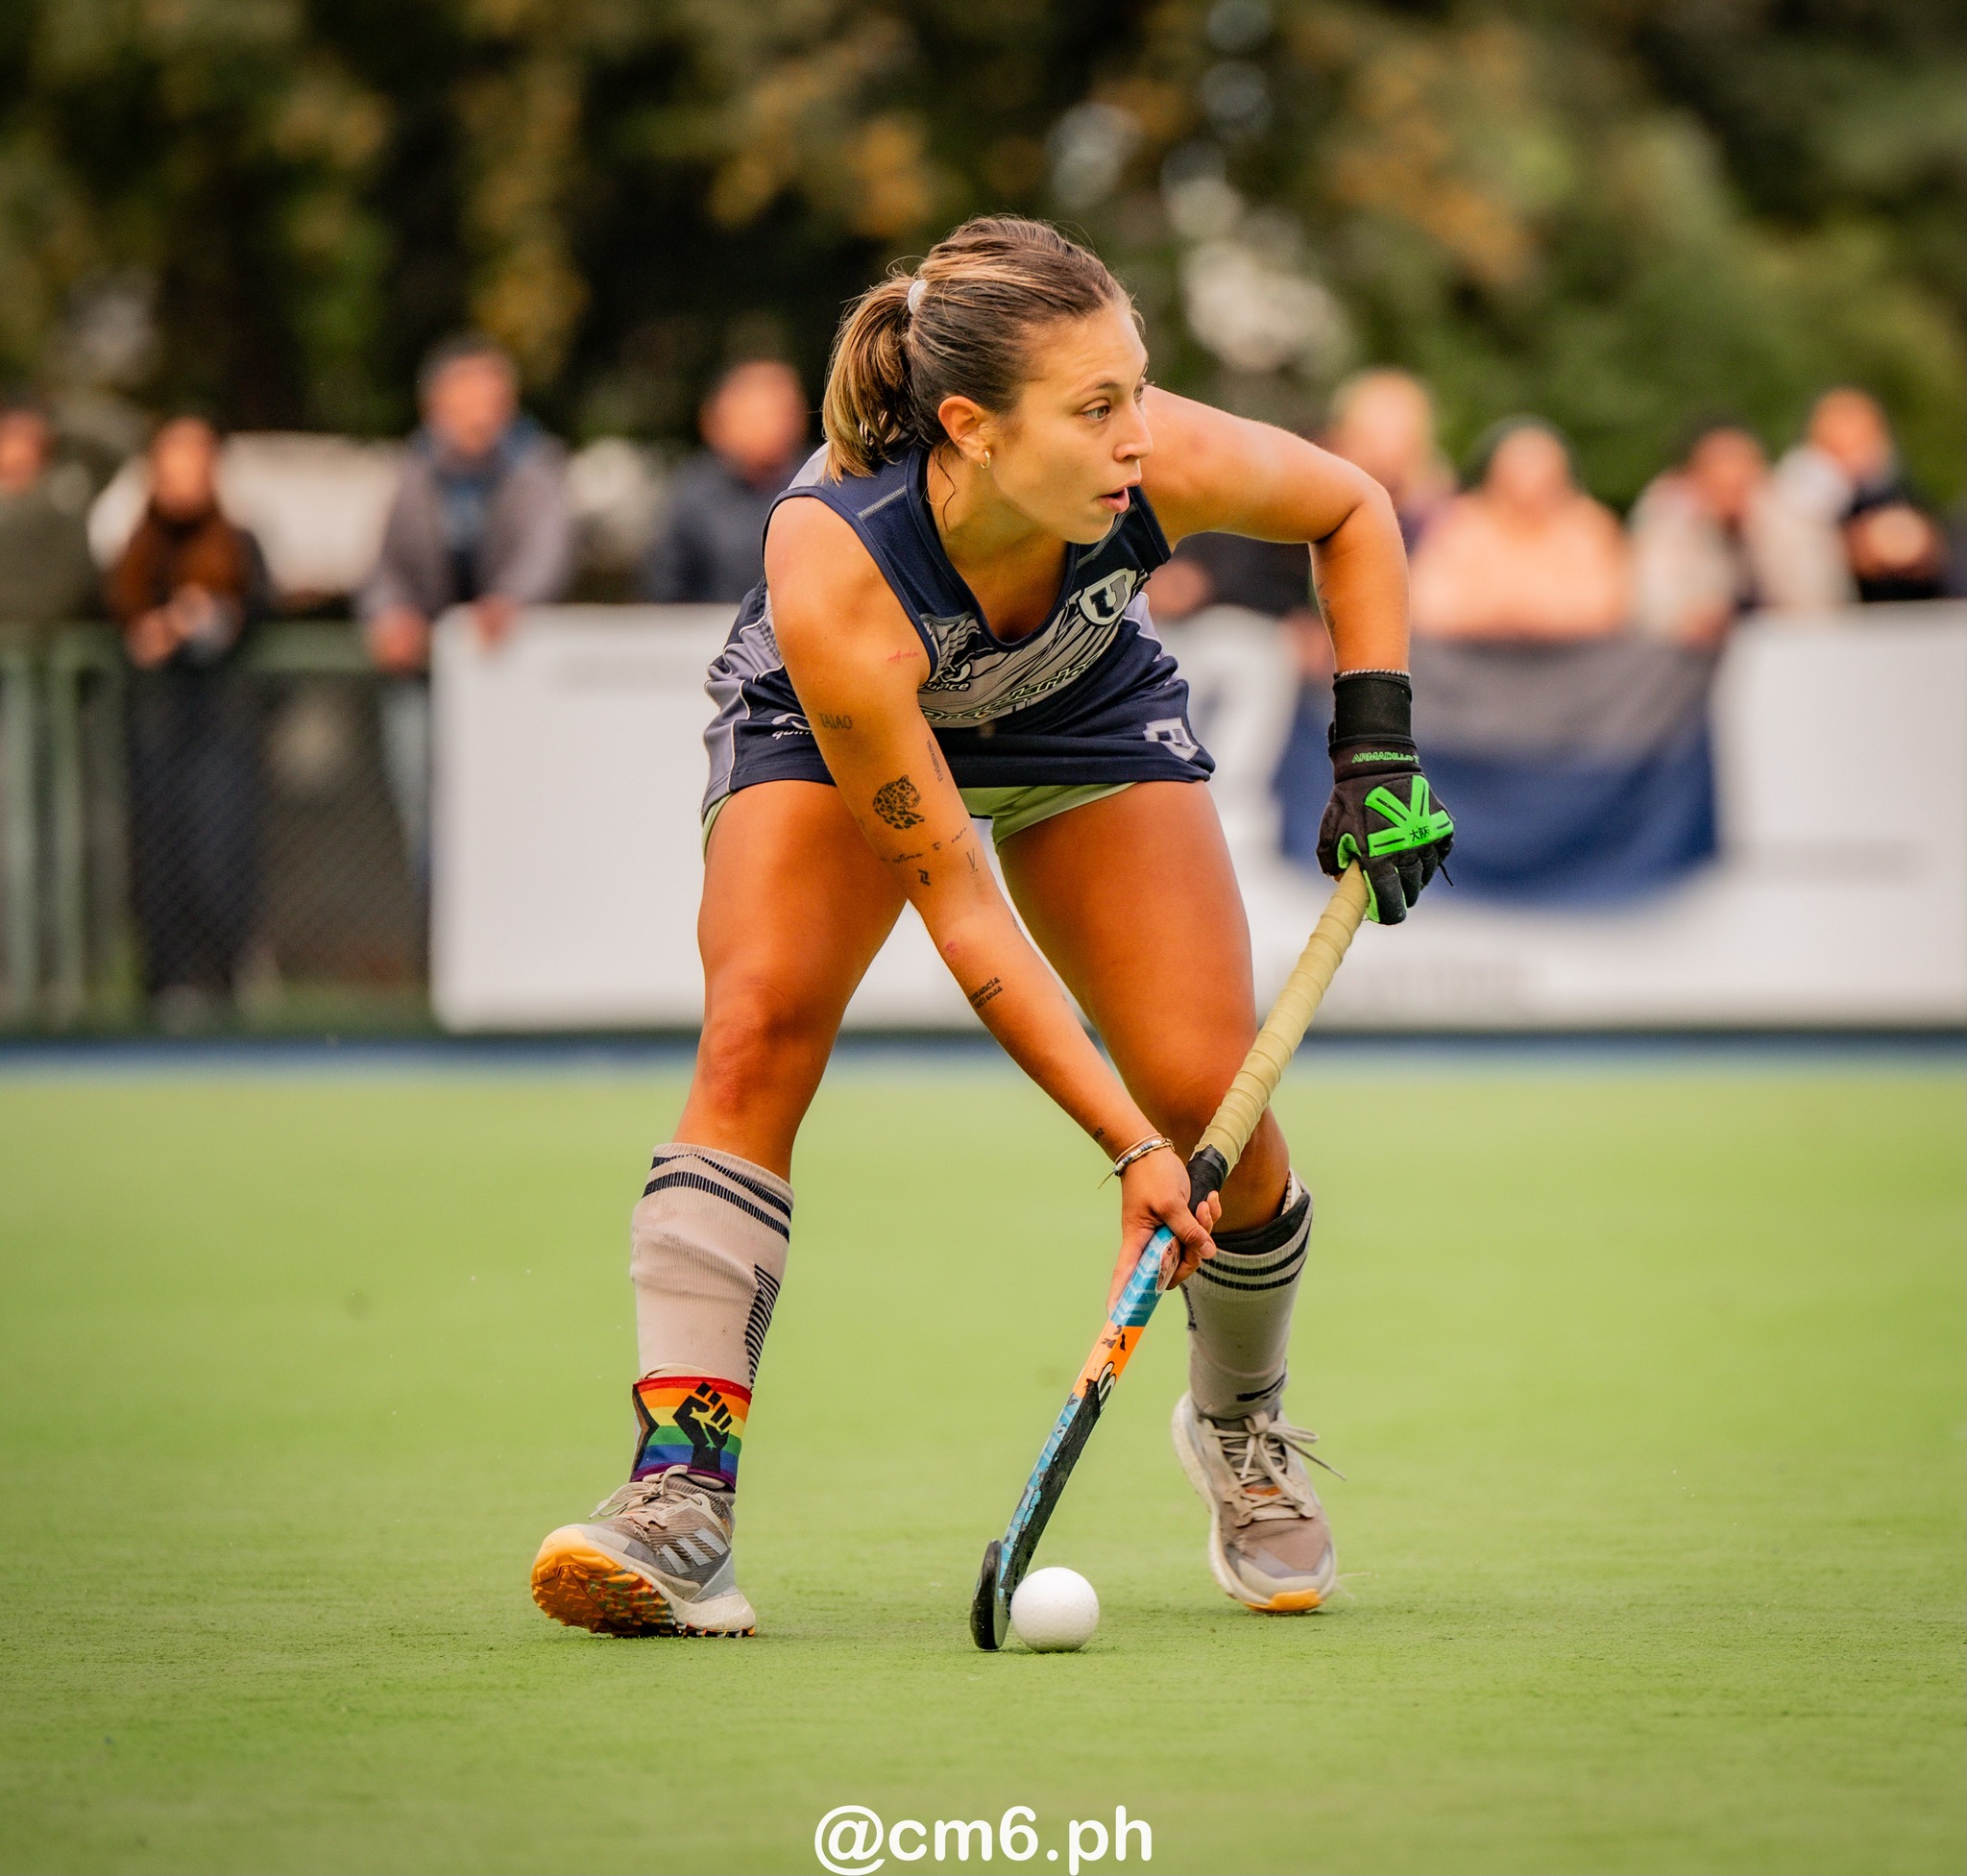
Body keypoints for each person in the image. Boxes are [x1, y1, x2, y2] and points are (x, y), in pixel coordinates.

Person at [528, 218, 1454, 1639]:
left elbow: (1354, 509)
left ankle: (1238, 1418)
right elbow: (961, 909)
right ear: (969, 425)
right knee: (758, 1027)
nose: (1137, 434)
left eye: (1137, 387)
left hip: (1081, 712)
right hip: (842, 726)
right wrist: (1129, 1155)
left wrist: (1374, 746)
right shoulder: (838, 556)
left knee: (1211, 1091)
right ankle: (679, 1497)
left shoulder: (1153, 460)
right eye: (1096, 407)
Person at [359, 334, 573, 885]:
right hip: (422, 673)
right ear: (435, 406)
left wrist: (510, 603)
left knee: (512, 808)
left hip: (509, 668)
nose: (481, 413)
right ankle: (437, 922)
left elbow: (548, 555)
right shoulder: (415, 470)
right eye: (467, 399)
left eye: (492, 399)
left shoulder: (536, 465)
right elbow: (384, 567)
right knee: (423, 809)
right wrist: (388, 616)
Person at [107, 417, 271, 1019]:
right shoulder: (135, 548)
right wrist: (151, 630)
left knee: (220, 855)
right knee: (157, 859)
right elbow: (113, 612)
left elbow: (260, 609)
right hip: (155, 728)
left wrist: (207, 617)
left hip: (222, 729)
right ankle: (164, 985)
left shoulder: (238, 543)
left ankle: (226, 981)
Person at [1409, 420, 1630, 641]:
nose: (1529, 481)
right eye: (1518, 469)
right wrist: (1511, 610)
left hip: (1573, 653)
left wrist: (1522, 609)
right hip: (1473, 651)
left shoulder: (1587, 527)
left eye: (1540, 470)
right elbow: (1428, 603)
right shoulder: (1461, 522)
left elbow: (1608, 603)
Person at [1630, 424, 1851, 643]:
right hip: (1698, 655)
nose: (1731, 490)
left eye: (1740, 480)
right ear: (1694, 480)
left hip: (1788, 647)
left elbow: (1823, 601)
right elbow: (1656, 611)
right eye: (1718, 482)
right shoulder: (1669, 526)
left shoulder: (1795, 519)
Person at [640, 359, 810, 603]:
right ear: (717, 422)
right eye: (756, 416)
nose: (774, 427)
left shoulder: (820, 484)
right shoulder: (692, 497)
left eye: (782, 413)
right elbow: (665, 590)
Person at [1774, 388, 1947, 604]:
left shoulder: (1894, 491)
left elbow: (1928, 549)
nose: (1854, 451)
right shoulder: (1792, 500)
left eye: (1862, 437)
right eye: (1840, 441)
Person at [1323, 369, 1453, 551]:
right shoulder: (1317, 508)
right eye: (1374, 437)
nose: (1388, 452)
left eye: (1400, 435)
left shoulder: (1440, 521)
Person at [0, 399, 98, 630]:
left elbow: (72, 576)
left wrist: (60, 412)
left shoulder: (63, 499)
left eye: (28, 439)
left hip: (46, 631)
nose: (17, 450)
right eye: (10, 436)